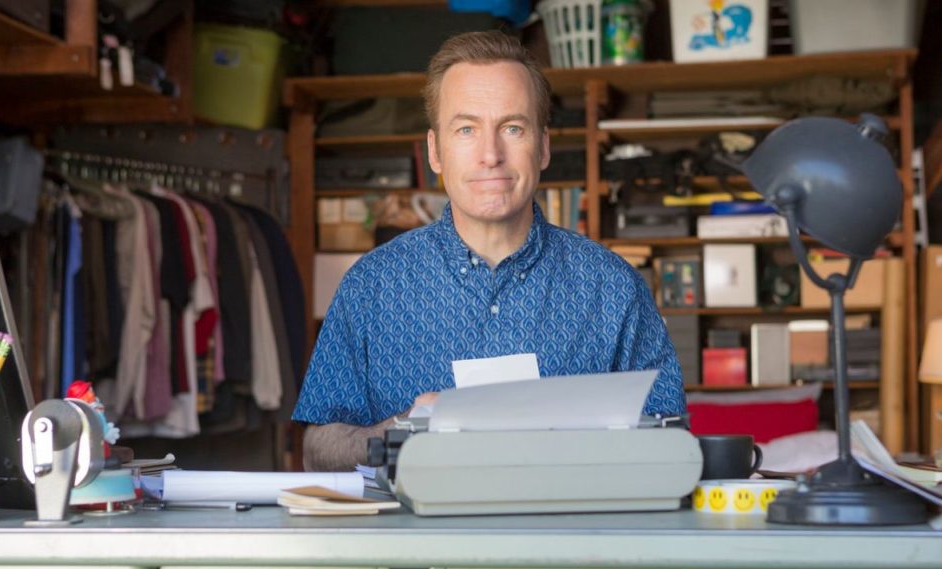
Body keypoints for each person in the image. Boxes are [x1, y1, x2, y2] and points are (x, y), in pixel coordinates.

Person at [293, 31, 684, 471]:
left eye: (512, 128)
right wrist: (406, 427)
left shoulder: (614, 288)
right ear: (435, 151)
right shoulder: (372, 285)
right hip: (413, 539)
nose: (490, 155)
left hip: (572, 538)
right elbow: (317, 451)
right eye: (466, 129)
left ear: (544, 147)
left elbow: (672, 442)